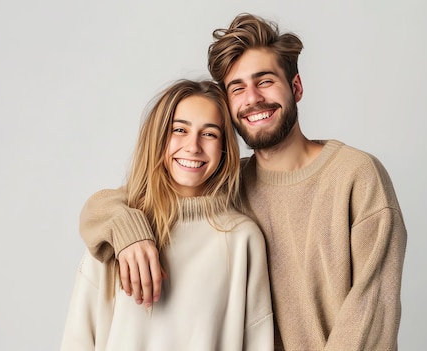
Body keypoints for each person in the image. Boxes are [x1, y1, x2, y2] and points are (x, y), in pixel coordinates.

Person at [79, 13, 407, 351]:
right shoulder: (228, 185)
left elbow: (372, 310)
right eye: (237, 88)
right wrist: (127, 230)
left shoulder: (356, 175)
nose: (252, 99)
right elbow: (116, 203)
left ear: (296, 87)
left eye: (264, 81)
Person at [61, 79, 274, 351]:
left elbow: (258, 341)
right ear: (159, 137)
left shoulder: (242, 239)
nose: (193, 146)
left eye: (209, 134)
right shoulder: (116, 230)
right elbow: (78, 340)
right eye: (179, 130)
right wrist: (125, 230)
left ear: (224, 149)